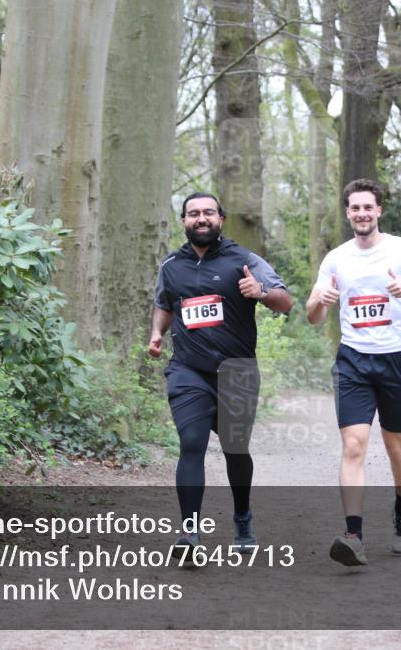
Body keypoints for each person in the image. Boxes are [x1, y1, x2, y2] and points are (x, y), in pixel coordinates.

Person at [306, 178, 401, 566]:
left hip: (398, 360)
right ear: (347, 213)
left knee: (395, 445)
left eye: (367, 207)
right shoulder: (336, 258)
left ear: (379, 210)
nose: (361, 214)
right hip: (354, 360)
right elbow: (312, 315)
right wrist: (321, 302)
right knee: (354, 444)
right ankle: (353, 535)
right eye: (355, 208)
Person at [149, 192, 292, 553]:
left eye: (208, 212)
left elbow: (285, 301)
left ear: (221, 219)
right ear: (184, 220)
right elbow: (164, 303)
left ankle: (242, 516)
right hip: (188, 370)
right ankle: (190, 534)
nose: (201, 218)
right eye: (194, 213)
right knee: (191, 444)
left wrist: (260, 291)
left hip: (237, 372)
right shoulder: (171, 265)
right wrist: (156, 334)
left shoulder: (245, 260)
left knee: (235, 450)